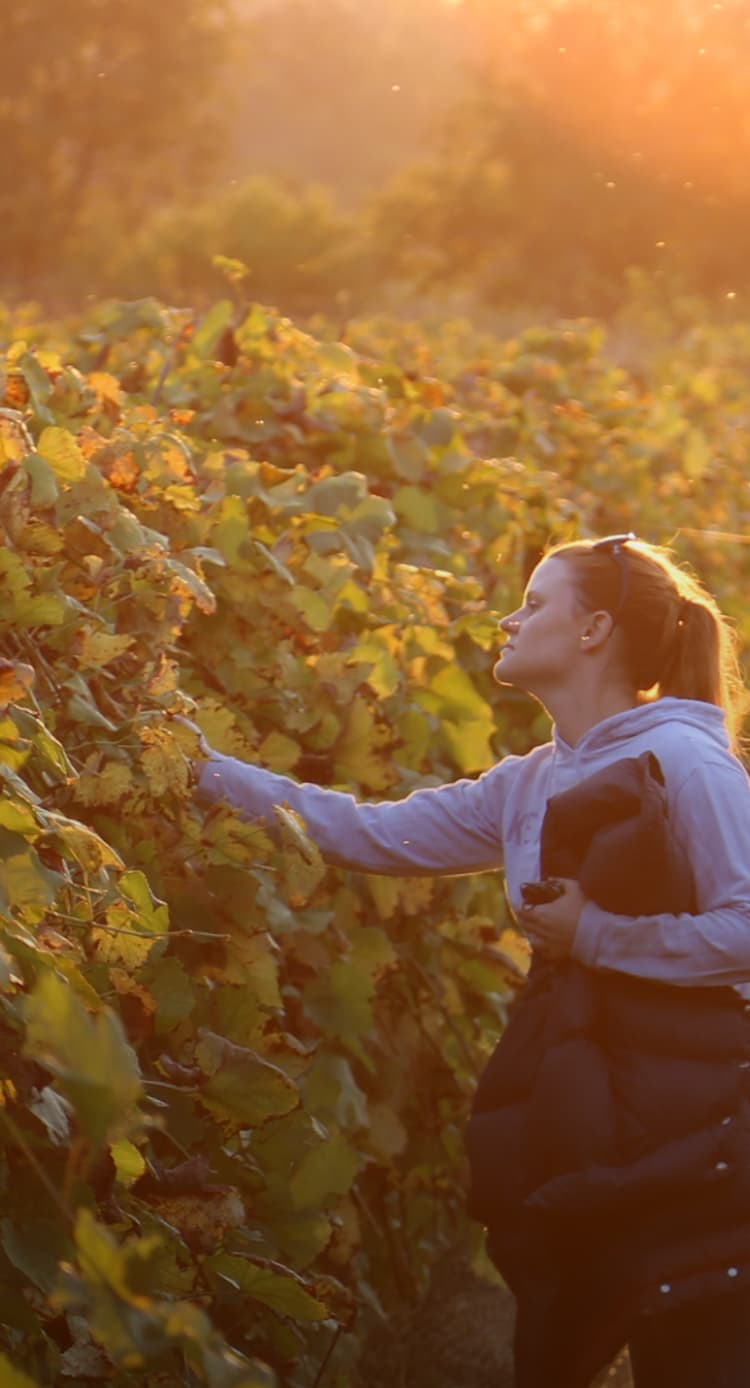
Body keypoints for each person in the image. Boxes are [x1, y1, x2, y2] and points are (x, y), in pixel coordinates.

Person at [191, 534, 750, 1387]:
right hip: (584, 1108)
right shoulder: (528, 781)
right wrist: (196, 769)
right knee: (558, 1344)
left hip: (699, 1125)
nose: (508, 618)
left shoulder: (688, 762)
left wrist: (597, 935)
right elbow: (365, 830)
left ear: (595, 628)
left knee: (696, 1352)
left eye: (533, 603)